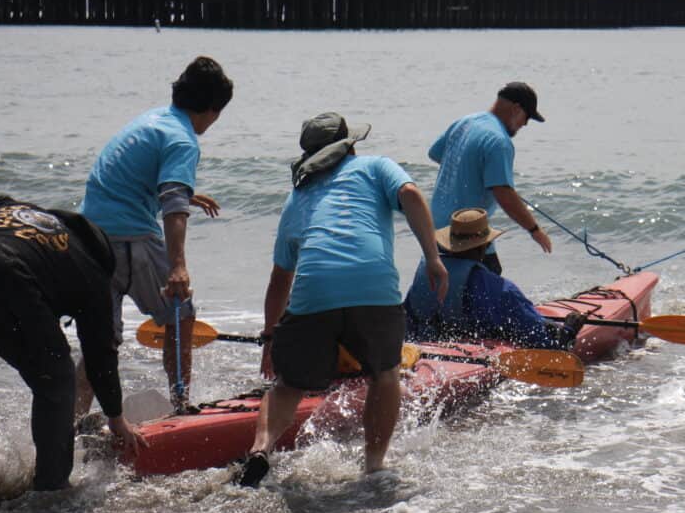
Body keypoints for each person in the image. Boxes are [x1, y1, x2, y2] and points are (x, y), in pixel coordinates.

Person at [237, 112, 448, 488]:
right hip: (374, 289)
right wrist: (432, 258)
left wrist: (270, 339)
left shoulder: (297, 196)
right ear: (349, 145)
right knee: (384, 374)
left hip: (313, 292)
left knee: (287, 385)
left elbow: (280, 277)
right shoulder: (376, 166)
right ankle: (373, 466)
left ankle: (261, 450)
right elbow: (412, 195)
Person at [78, 56, 234, 413]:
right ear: (214, 110)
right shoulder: (183, 140)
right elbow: (173, 203)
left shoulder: (150, 121)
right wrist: (177, 267)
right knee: (181, 313)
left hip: (89, 239)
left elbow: (135, 177)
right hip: (127, 240)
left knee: (101, 342)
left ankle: (69, 424)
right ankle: (181, 407)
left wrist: (188, 194)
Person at [0, 195, 147, 493]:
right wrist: (117, 419)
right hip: (4, 276)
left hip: (4, 267)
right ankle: (52, 489)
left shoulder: (27, 213)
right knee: (57, 378)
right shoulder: (91, 272)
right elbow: (100, 356)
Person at [405, 208, 586, 348]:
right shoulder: (500, 290)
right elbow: (546, 344)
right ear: (484, 247)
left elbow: (405, 323)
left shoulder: (425, 274)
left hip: (424, 348)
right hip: (470, 357)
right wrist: (569, 329)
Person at [427, 81, 552, 276]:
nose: (525, 124)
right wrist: (535, 230)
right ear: (516, 109)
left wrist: (470, 169)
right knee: (491, 282)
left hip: (435, 231)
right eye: (526, 118)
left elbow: (435, 153)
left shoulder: (465, 122)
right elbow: (504, 195)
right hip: (468, 237)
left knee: (447, 287)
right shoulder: (499, 142)